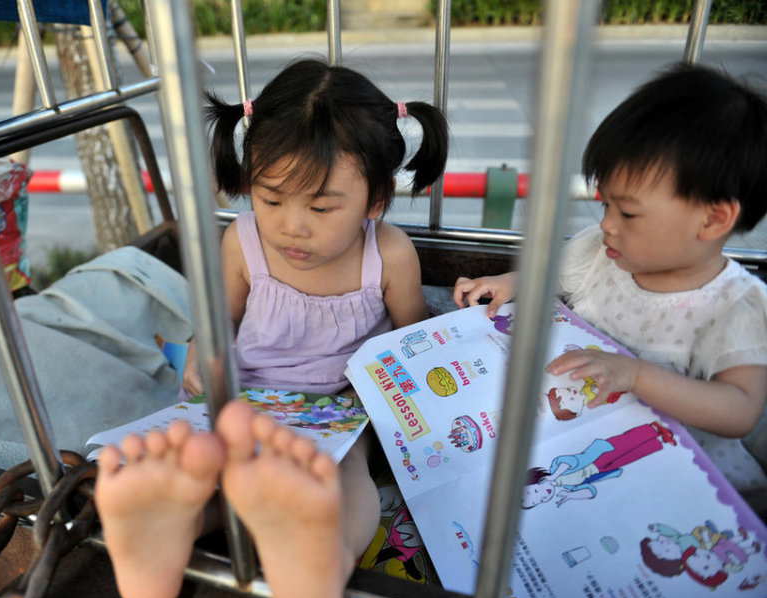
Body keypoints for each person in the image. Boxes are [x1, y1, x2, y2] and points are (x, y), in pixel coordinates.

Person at [181, 58, 448, 568]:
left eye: (321, 208)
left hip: (343, 408)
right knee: (214, 467)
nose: (291, 227)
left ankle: (327, 564)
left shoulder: (388, 255)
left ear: (376, 200)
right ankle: (171, 531)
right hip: (250, 394)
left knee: (345, 475)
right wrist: (203, 348)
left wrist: (373, 399)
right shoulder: (241, 242)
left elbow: (410, 345)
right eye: (271, 199)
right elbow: (219, 319)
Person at [453, 63, 767, 491]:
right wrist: (510, 282)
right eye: (605, 207)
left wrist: (636, 376)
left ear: (713, 219)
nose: (607, 225)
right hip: (574, 435)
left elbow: (740, 410)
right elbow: (549, 276)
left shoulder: (737, 305)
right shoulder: (602, 252)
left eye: (628, 212)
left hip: (675, 471)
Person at [95, 400, 350, 598]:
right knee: (342, 472)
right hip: (250, 398)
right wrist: (195, 360)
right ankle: (326, 555)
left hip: (338, 405)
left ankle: (186, 524)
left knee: (342, 461)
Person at [521, 421, 676, 509]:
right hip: (604, 468)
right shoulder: (568, 488)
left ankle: (654, 429)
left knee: (628, 441)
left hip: (599, 454)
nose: (543, 494)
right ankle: (660, 441)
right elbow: (590, 491)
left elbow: (570, 461)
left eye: (535, 491)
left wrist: (554, 476)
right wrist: (571, 496)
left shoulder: (555, 466)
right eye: (540, 500)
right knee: (633, 455)